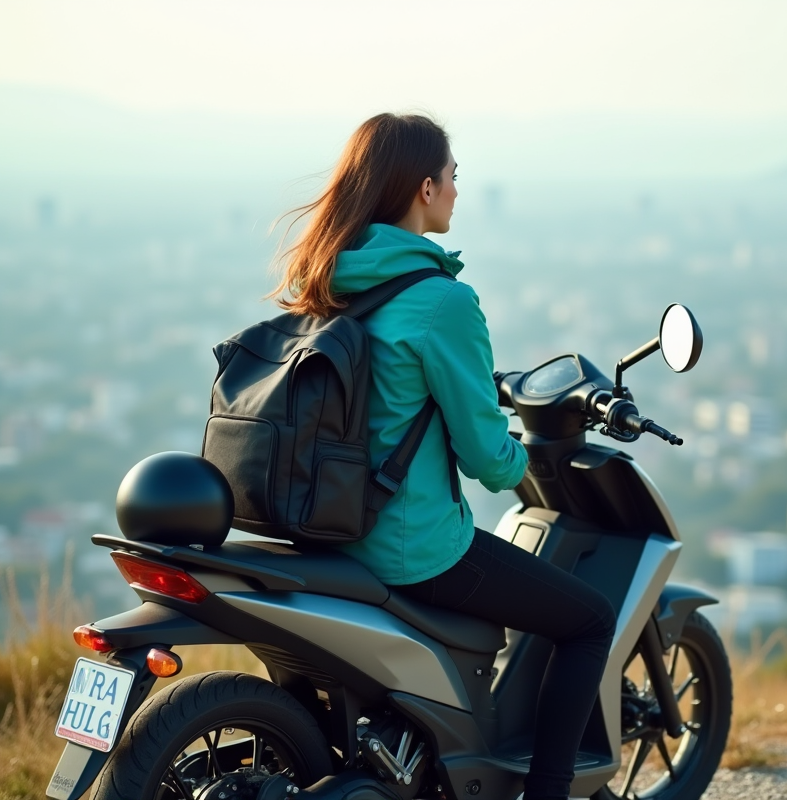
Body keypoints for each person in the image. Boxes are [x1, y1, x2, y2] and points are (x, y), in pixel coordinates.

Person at [270, 113, 616, 800]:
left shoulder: (323, 280)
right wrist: (524, 460)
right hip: (410, 548)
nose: (458, 190)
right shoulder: (442, 302)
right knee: (589, 620)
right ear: (425, 189)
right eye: (454, 176)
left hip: (318, 532)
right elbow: (488, 459)